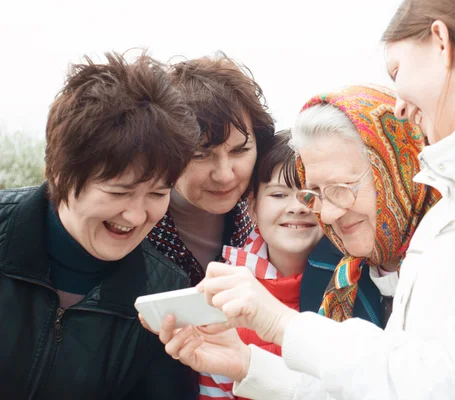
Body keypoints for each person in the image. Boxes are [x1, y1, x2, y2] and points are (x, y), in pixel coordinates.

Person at [155, 0, 455, 398]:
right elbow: (399, 381)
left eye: (396, 72)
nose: (400, 107)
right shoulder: (451, 206)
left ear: (441, 43)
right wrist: (250, 366)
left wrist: (281, 324)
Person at [150, 84, 439, 395]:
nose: (324, 214)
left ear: (397, 171)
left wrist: (278, 323)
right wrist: (246, 364)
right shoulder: (343, 277)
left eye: (342, 187)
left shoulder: (454, 262)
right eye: (314, 193)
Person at [0, 52, 201, 399]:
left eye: (157, 193)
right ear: (60, 173)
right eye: (118, 191)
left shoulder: (164, 294)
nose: (137, 216)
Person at [199, 129, 324, 399]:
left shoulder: (357, 284)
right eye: (279, 195)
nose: (298, 207)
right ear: (252, 208)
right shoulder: (226, 295)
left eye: (311, 193)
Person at [147, 52, 275, 286]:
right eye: (201, 155)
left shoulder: (275, 216)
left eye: (240, 150)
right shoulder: (133, 223)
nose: (225, 175)